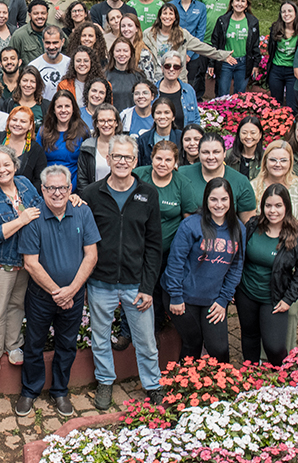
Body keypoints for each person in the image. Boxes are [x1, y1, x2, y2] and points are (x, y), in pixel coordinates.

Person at [81, 134, 163, 409]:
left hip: (135, 283)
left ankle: (153, 385)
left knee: (146, 340)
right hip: (100, 282)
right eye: (117, 156)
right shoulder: (92, 194)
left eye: (128, 157)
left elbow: (154, 245)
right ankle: (105, 381)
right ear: (108, 159)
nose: (122, 161)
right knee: (100, 337)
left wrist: (147, 287)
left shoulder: (148, 194)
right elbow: (83, 240)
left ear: (136, 161)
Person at [15, 165, 99, 417]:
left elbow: (91, 255)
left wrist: (71, 290)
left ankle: (60, 391)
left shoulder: (82, 211)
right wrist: (57, 293)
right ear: (42, 189)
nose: (57, 193)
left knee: (67, 345)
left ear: (70, 188)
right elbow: (31, 263)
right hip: (41, 297)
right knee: (34, 344)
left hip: (73, 297)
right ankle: (30, 391)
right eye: (51, 188)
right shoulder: (33, 217)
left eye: (62, 187)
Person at [165, 177, 246, 363]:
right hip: (184, 296)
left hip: (213, 298)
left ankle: (220, 381)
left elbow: (236, 266)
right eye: (213, 199)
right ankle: (185, 379)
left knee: (219, 349)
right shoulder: (191, 225)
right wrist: (176, 296)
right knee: (192, 343)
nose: (219, 205)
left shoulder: (238, 229)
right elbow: (175, 263)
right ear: (206, 200)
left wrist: (223, 300)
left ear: (231, 200)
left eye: (224, 199)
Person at [0, 146, 43, 373]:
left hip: (24, 259)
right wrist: (21, 220)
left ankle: (13, 345)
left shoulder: (24, 184)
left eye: (6, 164)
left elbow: (40, 207)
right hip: (0, 263)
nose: (2, 170)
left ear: (15, 166)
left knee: (16, 306)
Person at [236, 183, 298, 366]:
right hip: (246, 293)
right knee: (249, 336)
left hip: (275, 298)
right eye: (268, 205)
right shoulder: (252, 226)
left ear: (287, 207)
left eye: (278, 205)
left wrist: (288, 299)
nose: (272, 211)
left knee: (274, 347)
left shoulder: (297, 236)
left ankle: (281, 377)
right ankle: (251, 372)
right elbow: (238, 257)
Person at [250, 140, 298, 326]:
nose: (277, 164)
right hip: (260, 255)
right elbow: (249, 224)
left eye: (283, 160)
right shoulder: (254, 186)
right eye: (273, 160)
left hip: (290, 254)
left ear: (290, 162)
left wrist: (293, 253)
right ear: (265, 161)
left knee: (287, 316)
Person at [132, 140, 197, 330]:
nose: (163, 163)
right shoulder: (138, 176)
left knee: (159, 293)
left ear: (176, 162)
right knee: (133, 291)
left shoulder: (182, 184)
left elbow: (189, 220)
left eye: (168, 160)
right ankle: (129, 332)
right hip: (136, 248)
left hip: (166, 252)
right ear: (151, 158)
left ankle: (157, 329)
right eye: (158, 158)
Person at [143, 3, 235, 85]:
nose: (167, 17)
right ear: (160, 16)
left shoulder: (182, 35)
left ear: (175, 18)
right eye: (164, 13)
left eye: (171, 14)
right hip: (155, 79)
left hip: (176, 80)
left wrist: (222, 55)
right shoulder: (148, 34)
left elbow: (201, 47)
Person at [177, 132, 257, 221]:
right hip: (189, 228)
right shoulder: (183, 174)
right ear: (199, 153)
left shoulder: (240, 181)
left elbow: (248, 221)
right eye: (205, 152)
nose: (211, 157)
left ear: (224, 153)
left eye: (216, 152)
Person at [210, 0, 260, 96]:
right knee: (222, 95)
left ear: (247, 5)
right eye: (237, 0)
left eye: (243, 1)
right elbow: (215, 42)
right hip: (226, 61)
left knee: (240, 96)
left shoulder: (253, 22)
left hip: (243, 63)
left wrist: (256, 64)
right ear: (232, 3)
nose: (239, 4)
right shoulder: (222, 20)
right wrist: (211, 63)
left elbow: (255, 44)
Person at [37, 90, 88, 188]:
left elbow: (84, 166)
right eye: (59, 106)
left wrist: (70, 188)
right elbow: (38, 162)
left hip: (74, 187)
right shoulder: (44, 131)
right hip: (48, 187)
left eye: (67, 106)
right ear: (53, 110)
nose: (63, 110)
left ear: (73, 109)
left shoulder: (83, 131)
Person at [0, 106, 48, 189]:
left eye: (23, 121)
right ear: (8, 121)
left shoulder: (36, 150)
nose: (17, 124)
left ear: (30, 125)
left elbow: (40, 180)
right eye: (14, 120)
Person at [170, 0, 209, 100]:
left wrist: (189, 54)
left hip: (193, 54)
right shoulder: (171, 5)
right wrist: (180, 53)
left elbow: (200, 33)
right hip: (174, 52)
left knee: (191, 86)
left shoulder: (201, 7)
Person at [265, 2, 298, 110]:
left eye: (289, 11)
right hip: (276, 70)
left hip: (293, 72)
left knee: (292, 104)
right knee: (275, 103)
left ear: (295, 13)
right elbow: (271, 49)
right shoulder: (275, 29)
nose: (286, 14)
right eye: (283, 11)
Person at [76, 105, 120, 193]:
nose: (106, 124)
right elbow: (82, 179)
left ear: (116, 123)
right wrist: (89, 198)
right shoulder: (87, 146)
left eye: (110, 120)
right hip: (94, 197)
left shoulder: (125, 146)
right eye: (102, 121)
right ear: (96, 123)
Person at [154, 51, 201, 128]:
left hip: (183, 135)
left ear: (181, 70)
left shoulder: (188, 90)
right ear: (162, 68)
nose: (171, 69)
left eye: (176, 67)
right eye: (167, 66)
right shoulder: (152, 90)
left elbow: (196, 118)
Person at [136, 97, 183, 166]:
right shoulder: (143, 140)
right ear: (153, 117)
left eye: (166, 112)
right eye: (158, 113)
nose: (162, 116)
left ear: (173, 117)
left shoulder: (181, 138)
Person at [31, 26, 71, 102]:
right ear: (43, 42)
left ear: (62, 42)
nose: (51, 47)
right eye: (48, 43)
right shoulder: (34, 66)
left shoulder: (71, 64)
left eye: (55, 43)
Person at [106, 39, 144, 112]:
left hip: (132, 116)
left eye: (125, 51)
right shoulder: (105, 75)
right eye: (118, 51)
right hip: (111, 117)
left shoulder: (139, 76)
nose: (121, 54)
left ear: (131, 53)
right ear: (113, 53)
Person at [10, 0, 50, 67]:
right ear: (30, 15)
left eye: (43, 13)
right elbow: (11, 59)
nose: (40, 16)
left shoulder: (55, 31)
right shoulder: (19, 35)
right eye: (36, 13)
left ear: (47, 14)